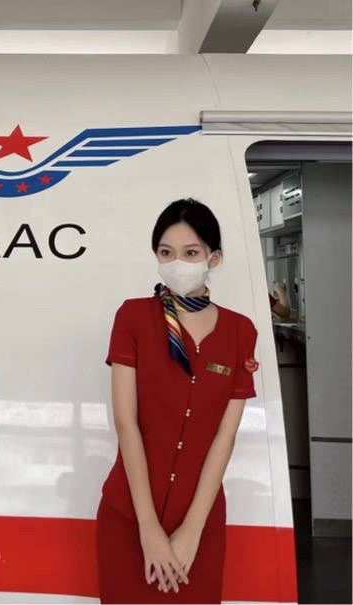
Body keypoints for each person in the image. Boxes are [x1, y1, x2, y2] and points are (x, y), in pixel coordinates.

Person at [95, 198, 259, 604]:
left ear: (214, 258)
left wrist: (192, 530)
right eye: (166, 253)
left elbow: (224, 436)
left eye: (191, 253)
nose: (177, 263)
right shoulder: (133, 318)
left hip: (199, 524)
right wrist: (148, 528)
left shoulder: (240, 331)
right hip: (129, 518)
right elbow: (126, 424)